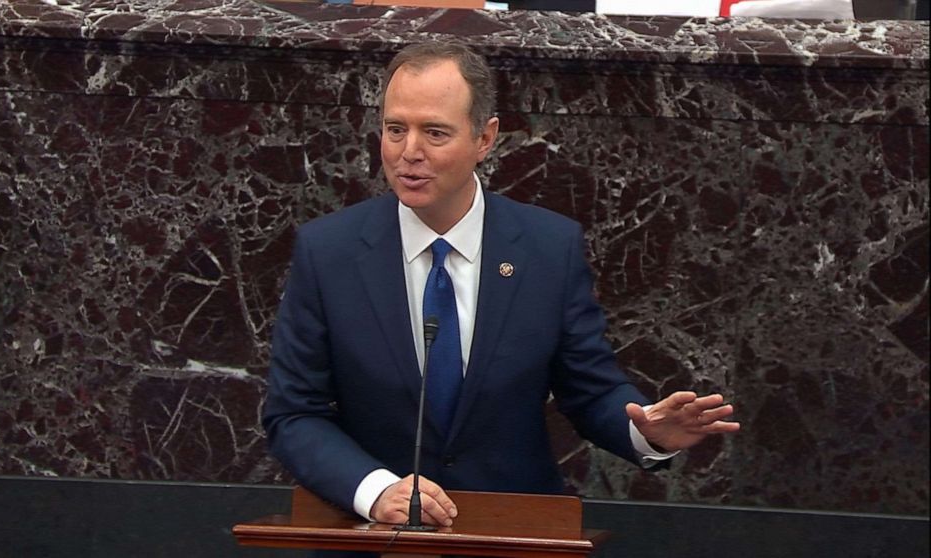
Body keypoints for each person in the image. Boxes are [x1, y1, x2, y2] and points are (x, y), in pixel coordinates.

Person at [262, 41, 739, 531]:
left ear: (485, 138)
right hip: (372, 539)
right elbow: (294, 413)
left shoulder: (548, 248)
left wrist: (648, 433)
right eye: (395, 129)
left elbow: (590, 390)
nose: (410, 153)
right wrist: (376, 488)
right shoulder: (329, 252)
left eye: (435, 133)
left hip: (514, 531)